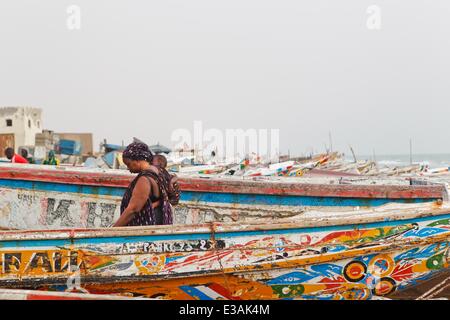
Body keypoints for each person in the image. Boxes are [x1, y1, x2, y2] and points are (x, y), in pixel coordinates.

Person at [113, 142, 173, 227]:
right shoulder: (160, 171)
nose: (128, 168)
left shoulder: (144, 179)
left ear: (137, 160)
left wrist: (113, 229)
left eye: (128, 164)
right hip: (159, 224)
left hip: (146, 228)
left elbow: (133, 210)